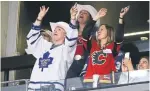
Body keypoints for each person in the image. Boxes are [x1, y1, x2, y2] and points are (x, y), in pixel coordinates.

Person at [26, 5, 78, 91]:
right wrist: (39, 18)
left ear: (66, 35)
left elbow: (72, 38)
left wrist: (73, 18)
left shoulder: (66, 49)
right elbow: (32, 39)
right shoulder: (45, 46)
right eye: (55, 29)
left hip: (54, 87)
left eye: (59, 30)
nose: (55, 31)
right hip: (34, 87)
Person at [83, 6, 130, 83]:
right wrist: (97, 17)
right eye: (98, 30)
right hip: (89, 81)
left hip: (107, 82)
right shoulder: (93, 44)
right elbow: (85, 34)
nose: (98, 31)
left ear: (108, 32)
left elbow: (119, 37)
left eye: (102, 29)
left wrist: (121, 17)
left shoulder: (112, 46)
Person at [66, 3, 107, 78]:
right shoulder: (70, 32)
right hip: (69, 65)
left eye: (85, 13)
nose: (81, 13)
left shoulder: (95, 35)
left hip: (86, 65)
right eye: (80, 12)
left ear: (90, 18)